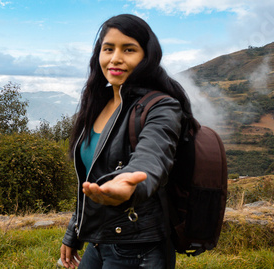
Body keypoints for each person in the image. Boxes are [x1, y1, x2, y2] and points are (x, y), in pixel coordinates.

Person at [60, 14, 197, 269]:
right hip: (99, 241)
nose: (115, 58)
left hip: (139, 247)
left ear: (147, 57)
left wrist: (130, 182)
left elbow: (153, 155)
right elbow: (90, 178)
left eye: (129, 49)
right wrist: (74, 232)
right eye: (108, 49)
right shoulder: (98, 105)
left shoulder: (162, 107)